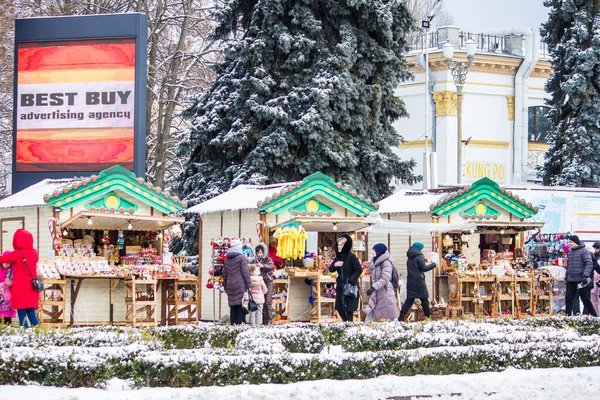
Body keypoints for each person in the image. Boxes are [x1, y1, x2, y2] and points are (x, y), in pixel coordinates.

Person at [0, 229, 40, 327]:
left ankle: (25, 334)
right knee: (31, 313)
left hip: (20, 289)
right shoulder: (35, 253)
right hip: (32, 288)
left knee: (22, 315)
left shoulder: (17, 254)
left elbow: (2, 259)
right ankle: (37, 333)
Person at [399, 242, 436, 322]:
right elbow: (423, 268)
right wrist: (433, 264)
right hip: (419, 281)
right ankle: (428, 317)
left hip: (411, 281)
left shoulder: (409, 257)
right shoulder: (419, 256)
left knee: (409, 300)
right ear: (419, 249)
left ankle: (401, 316)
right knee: (424, 300)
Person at [329, 234, 362, 322]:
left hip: (349, 286)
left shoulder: (351, 257)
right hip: (340, 285)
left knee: (349, 308)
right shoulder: (338, 257)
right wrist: (335, 264)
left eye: (341, 245)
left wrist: (352, 279)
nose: (339, 247)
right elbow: (331, 269)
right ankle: (346, 322)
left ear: (346, 246)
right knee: (339, 307)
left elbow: (358, 269)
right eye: (338, 245)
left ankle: (349, 324)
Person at [364, 243, 398, 322]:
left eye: (374, 251)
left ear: (378, 251)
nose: (372, 252)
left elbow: (385, 278)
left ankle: (397, 328)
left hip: (385, 292)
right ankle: (365, 327)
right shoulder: (376, 262)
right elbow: (371, 270)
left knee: (391, 312)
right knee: (371, 310)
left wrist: (373, 287)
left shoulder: (386, 263)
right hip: (377, 292)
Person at [565, 236, 597, 316]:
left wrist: (585, 276)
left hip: (581, 280)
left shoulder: (584, 251)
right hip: (571, 280)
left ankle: (594, 316)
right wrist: (567, 276)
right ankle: (567, 316)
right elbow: (568, 266)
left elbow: (589, 263)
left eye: (571, 242)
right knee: (568, 298)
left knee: (585, 299)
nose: (570, 244)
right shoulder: (570, 252)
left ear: (576, 242)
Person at [223, 239, 252, 325]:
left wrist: (225, 286)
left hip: (230, 284)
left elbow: (225, 274)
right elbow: (245, 272)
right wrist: (249, 285)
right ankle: (240, 325)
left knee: (233, 306)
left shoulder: (226, 259)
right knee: (241, 305)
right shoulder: (241, 258)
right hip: (240, 284)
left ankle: (233, 326)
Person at [253, 243, 275, 325]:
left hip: (268, 282)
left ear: (264, 252)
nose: (259, 254)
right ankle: (261, 320)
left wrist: (262, 266)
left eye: (261, 253)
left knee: (268, 302)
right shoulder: (254, 260)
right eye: (258, 253)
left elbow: (271, 266)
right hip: (258, 283)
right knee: (260, 302)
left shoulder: (268, 259)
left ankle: (268, 321)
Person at [0, 252, 16, 325]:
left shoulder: (12, 270)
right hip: (0, 294)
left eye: (8, 263)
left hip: (8, 296)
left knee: (7, 315)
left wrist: (10, 282)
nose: (6, 264)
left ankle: (8, 328)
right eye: (5, 262)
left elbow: (14, 281)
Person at [591, 241, 600, 315]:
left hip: (598, 277)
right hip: (594, 278)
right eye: (595, 248)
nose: (596, 250)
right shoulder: (594, 256)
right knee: (593, 297)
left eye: (597, 248)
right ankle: (596, 315)